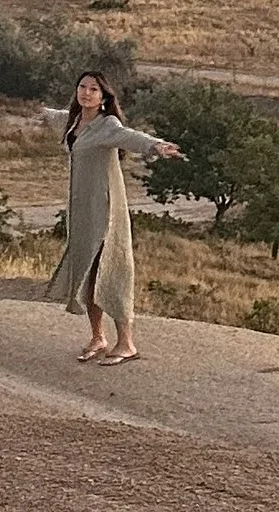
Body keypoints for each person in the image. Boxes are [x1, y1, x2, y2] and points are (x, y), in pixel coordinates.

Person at [42, 70, 182, 364]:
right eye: (82, 87)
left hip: (106, 210)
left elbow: (129, 137)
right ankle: (97, 337)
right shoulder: (75, 121)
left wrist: (156, 145)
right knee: (88, 272)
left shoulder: (107, 125)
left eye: (94, 89)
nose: (87, 93)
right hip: (82, 211)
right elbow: (56, 117)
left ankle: (126, 343)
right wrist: (39, 113)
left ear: (104, 97)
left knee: (113, 271)